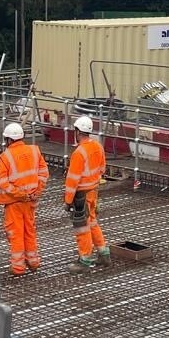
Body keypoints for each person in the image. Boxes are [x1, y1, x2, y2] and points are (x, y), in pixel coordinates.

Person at [0, 121, 49, 275]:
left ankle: (18, 267)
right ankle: (33, 262)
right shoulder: (34, 150)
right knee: (30, 231)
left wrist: (21, 194)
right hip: (31, 201)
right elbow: (44, 174)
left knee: (16, 233)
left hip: (15, 202)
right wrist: (36, 192)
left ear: (8, 140)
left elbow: (3, 183)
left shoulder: (5, 157)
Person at [64, 114, 110, 272]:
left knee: (82, 227)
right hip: (93, 191)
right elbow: (103, 168)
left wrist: (68, 200)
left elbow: (72, 180)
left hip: (81, 195)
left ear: (77, 131)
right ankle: (104, 254)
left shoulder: (79, 153)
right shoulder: (98, 146)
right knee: (92, 222)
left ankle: (85, 260)